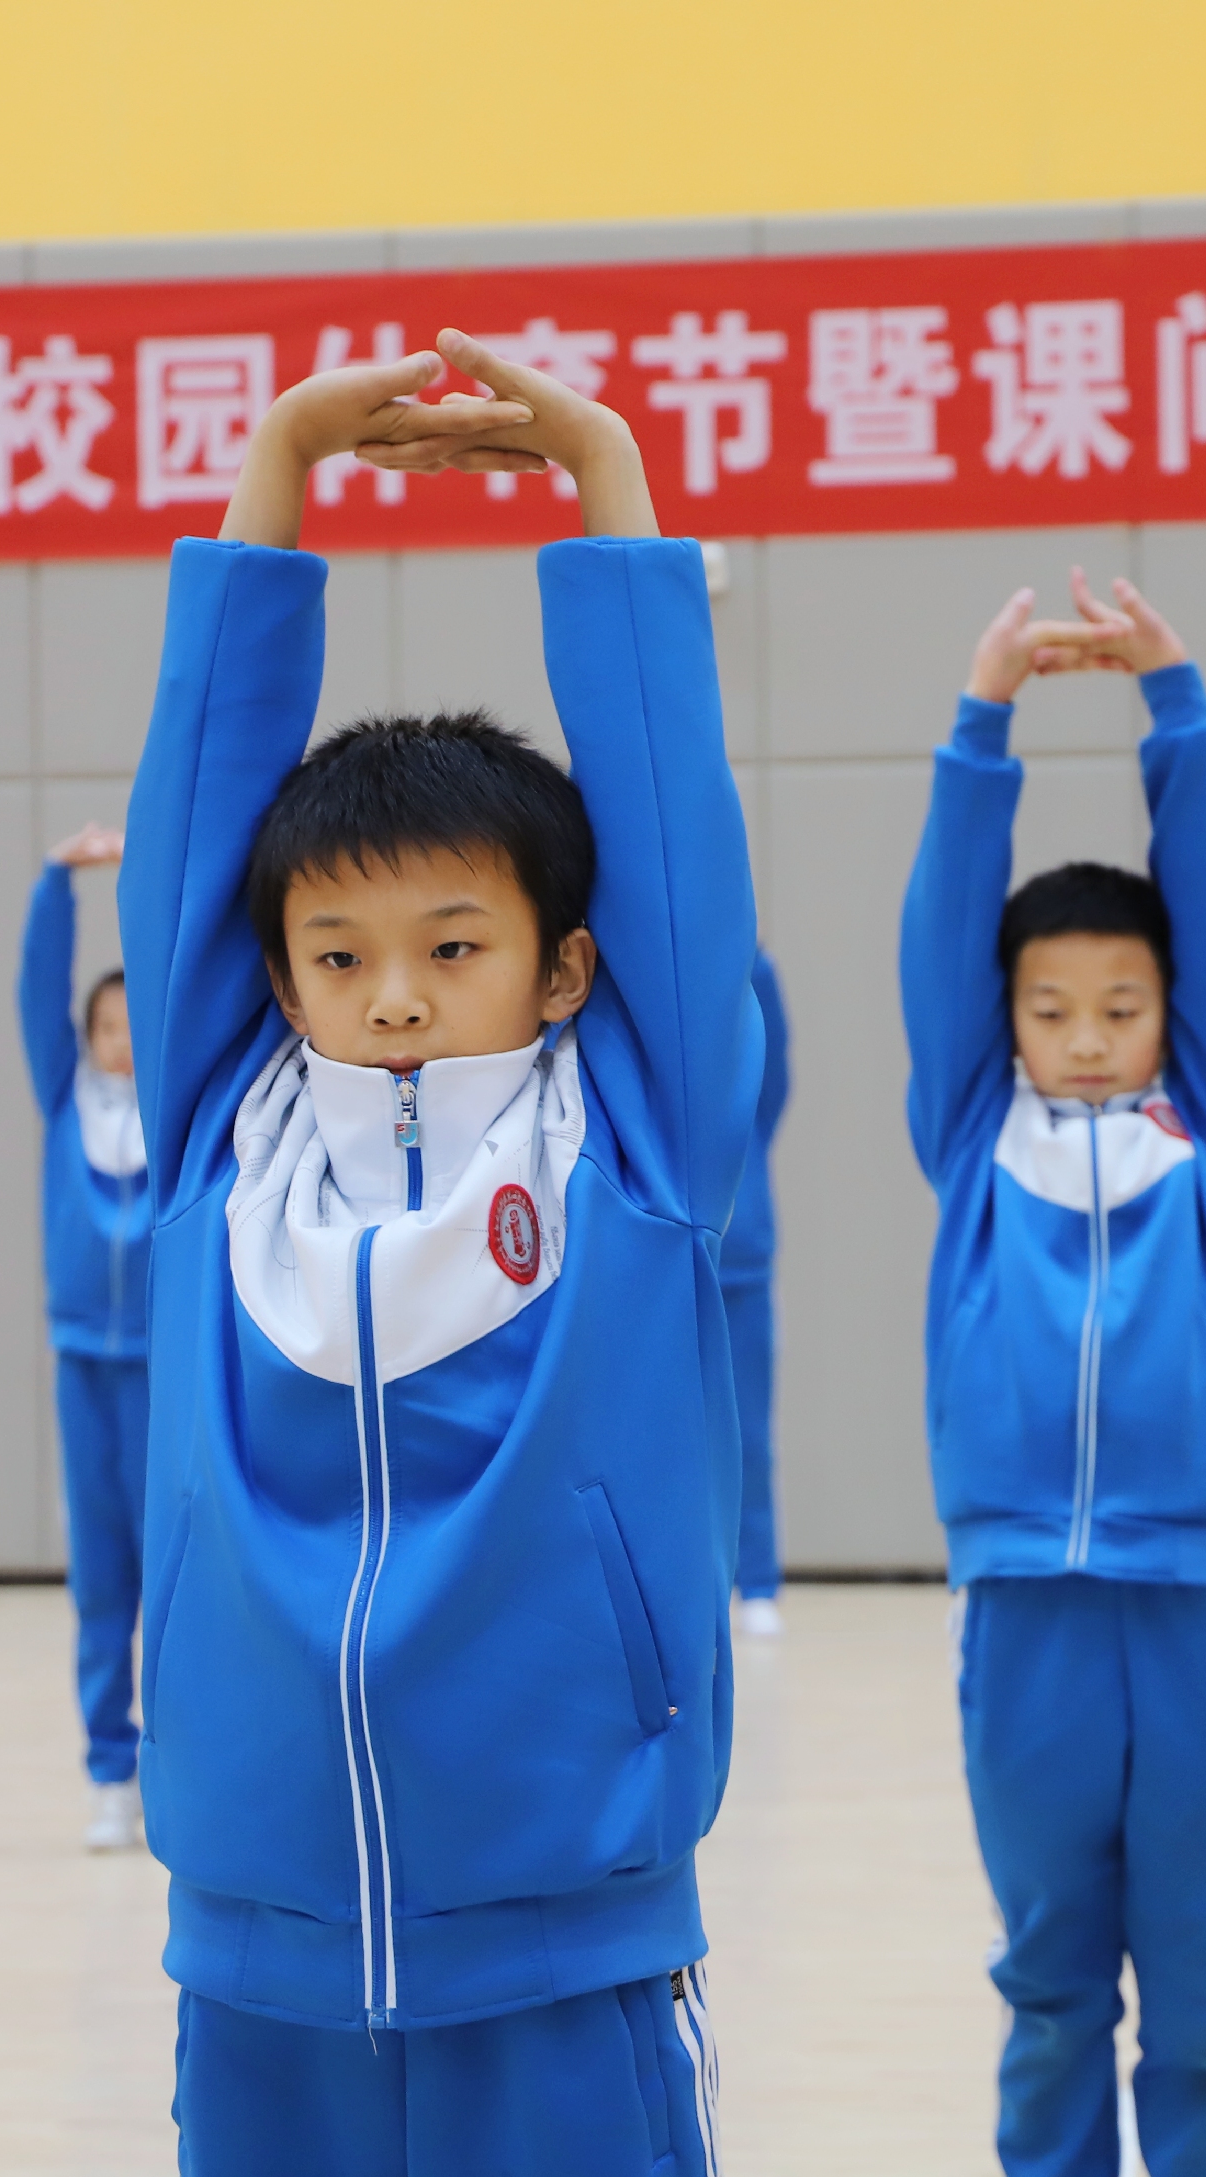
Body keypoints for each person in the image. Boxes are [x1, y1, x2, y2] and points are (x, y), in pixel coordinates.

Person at [123, 330, 751, 2172]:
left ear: (560, 966)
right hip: (258, 1958)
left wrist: (604, 475)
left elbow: (669, 818)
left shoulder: (630, 1147)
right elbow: (190, 817)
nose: (391, 996)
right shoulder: (218, 1152)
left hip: (566, 1951)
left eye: (453, 945)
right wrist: (278, 470)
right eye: (339, 955)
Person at [900, 572, 1206, 2174]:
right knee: (1052, 1981)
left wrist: (1174, 706)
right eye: (1052, 1008)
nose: (1091, 1033)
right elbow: (939, 925)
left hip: (1196, 1601)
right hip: (1027, 1606)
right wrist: (981, 718)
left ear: (1168, 1015)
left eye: (1123, 1004)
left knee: (1199, 1993)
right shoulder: (974, 1135)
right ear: (1007, 1023)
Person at [19, 822, 154, 1851]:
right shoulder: (66, 1099)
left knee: (181, 1573)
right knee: (101, 1576)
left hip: (168, 1366)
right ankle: (109, 1762)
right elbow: (34, 993)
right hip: (84, 1365)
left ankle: (180, 1768)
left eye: (131, 1020)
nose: (117, 1038)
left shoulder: (180, 1113)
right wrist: (60, 887)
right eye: (102, 1022)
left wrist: (144, 874)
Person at [729, 949, 791, 1637]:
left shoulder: (752, 965)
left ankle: (759, 1578)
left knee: (746, 1424)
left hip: (738, 1243)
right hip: (649, 1249)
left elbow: (770, 1092)